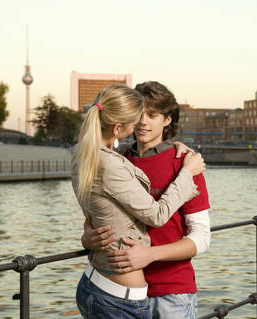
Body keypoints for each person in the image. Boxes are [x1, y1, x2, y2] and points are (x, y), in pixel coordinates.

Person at [71, 84, 206, 319]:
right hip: (118, 287)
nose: (142, 122)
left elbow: (202, 238)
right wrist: (87, 238)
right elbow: (100, 214)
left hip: (171, 293)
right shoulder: (116, 159)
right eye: (138, 115)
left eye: (152, 115)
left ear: (167, 120)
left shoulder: (185, 163)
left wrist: (151, 254)